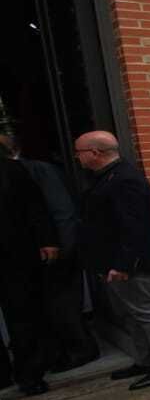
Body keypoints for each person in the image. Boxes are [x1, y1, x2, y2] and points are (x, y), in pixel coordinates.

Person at [75, 131, 150, 390]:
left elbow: (135, 227)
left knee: (147, 312)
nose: (77, 158)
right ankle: (146, 360)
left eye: (79, 152)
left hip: (127, 265)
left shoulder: (125, 179)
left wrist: (124, 264)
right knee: (130, 314)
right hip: (109, 263)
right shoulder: (105, 178)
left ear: (95, 153)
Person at [0, 134, 98, 372]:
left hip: (58, 252)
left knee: (64, 304)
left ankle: (80, 350)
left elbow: (62, 210)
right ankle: (53, 354)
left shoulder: (37, 169)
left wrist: (61, 248)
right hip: (32, 257)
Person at [0, 152, 58, 395]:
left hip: (14, 254)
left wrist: (47, 240)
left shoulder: (11, 170)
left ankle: (30, 375)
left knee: (23, 315)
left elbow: (35, 207)